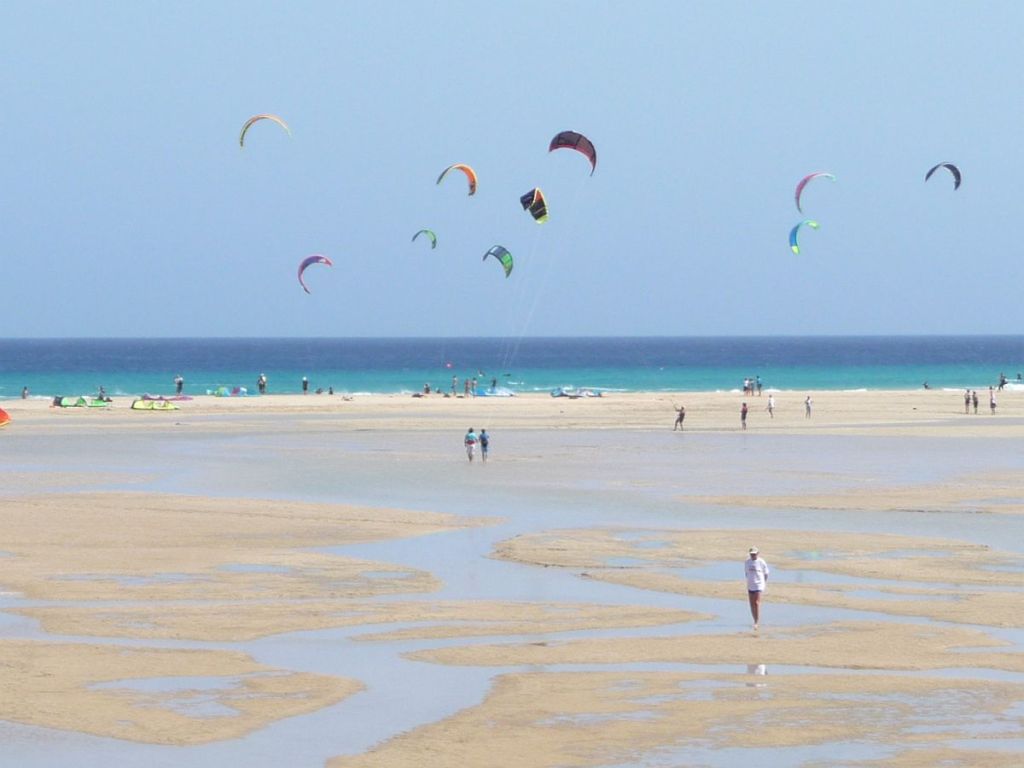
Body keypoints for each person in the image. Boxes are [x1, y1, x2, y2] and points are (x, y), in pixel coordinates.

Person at [745, 546, 770, 630]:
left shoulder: (761, 562)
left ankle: (757, 622)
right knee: (751, 603)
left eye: (754, 554)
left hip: (759, 584)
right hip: (750, 584)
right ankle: (754, 619)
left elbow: (766, 573)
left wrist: (764, 582)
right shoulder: (747, 562)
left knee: (756, 603)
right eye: (751, 554)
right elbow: (746, 573)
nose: (753, 555)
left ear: (757, 554)